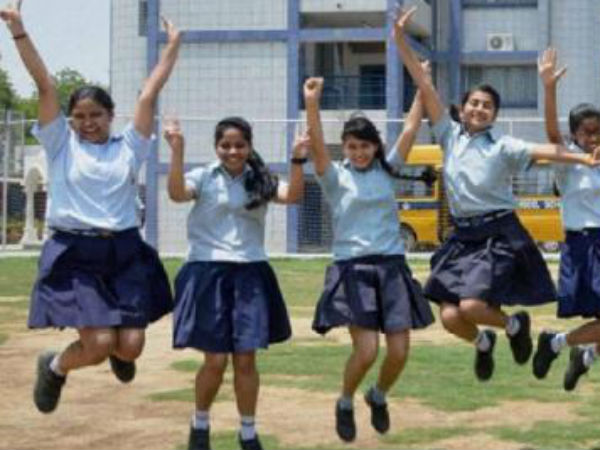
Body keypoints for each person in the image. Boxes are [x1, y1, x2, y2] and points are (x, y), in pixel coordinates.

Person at [393, 7, 600, 382]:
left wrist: (581, 157)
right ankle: (485, 341)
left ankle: (516, 326)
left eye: (487, 106)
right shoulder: (448, 135)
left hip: (497, 234)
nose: (479, 108)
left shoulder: (503, 146)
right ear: (462, 109)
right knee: (451, 317)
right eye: (474, 103)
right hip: (462, 236)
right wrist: (400, 41)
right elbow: (423, 85)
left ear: (494, 115)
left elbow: (547, 149)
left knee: (472, 305)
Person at [0, 0, 179, 413]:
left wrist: (172, 46)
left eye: (96, 114)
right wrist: (18, 30)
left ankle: (119, 351)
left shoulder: (130, 147)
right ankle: (55, 367)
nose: (88, 122)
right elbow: (45, 85)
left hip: (124, 251)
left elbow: (149, 94)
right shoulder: (60, 145)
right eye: (79, 116)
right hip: (75, 253)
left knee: (130, 347)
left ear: (111, 116)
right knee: (97, 344)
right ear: (70, 120)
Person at [164, 117, 308, 450]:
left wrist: (298, 158)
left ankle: (248, 432)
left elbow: (293, 195)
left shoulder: (261, 179)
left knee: (246, 359)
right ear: (216, 147)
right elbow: (176, 193)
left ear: (249, 146)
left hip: (250, 273)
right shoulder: (203, 176)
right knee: (215, 360)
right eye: (225, 145)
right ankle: (200, 424)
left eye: (239, 145)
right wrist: (177, 151)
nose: (232, 151)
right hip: (207, 272)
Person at [304, 76, 434, 442]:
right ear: (344, 148)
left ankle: (377, 395)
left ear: (375, 146)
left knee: (400, 351)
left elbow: (410, 128)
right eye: (352, 146)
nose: (359, 152)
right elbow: (317, 143)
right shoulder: (334, 177)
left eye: (365, 146)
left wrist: (422, 84)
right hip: (353, 270)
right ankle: (345, 401)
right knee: (366, 351)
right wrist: (311, 102)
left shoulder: (387, 170)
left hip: (391, 268)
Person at [532, 48, 600, 391]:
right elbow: (552, 136)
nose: (594, 138)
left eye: (599, 131)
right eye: (587, 132)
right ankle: (561, 345)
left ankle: (577, 354)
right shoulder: (568, 164)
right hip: (585, 245)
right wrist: (549, 88)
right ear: (575, 135)